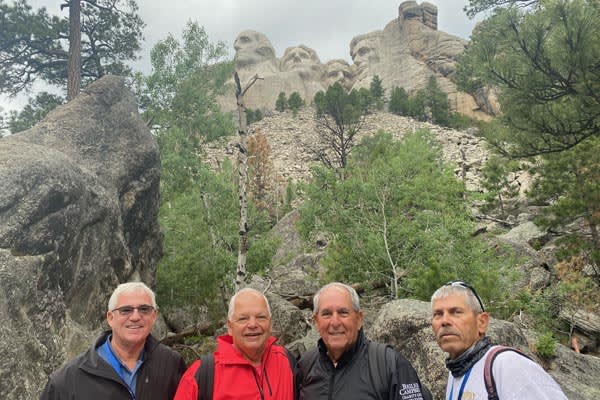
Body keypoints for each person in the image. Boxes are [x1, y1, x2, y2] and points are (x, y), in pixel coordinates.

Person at [40, 281, 186, 400]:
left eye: (144, 309)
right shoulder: (67, 381)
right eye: (125, 310)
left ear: (154, 316)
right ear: (110, 318)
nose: (135, 317)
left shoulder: (171, 364)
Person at [431, 280, 568, 399]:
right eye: (438, 314)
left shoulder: (508, 365)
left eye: (456, 312)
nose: (445, 321)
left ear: (482, 322)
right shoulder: (454, 373)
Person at [296, 282, 432, 400]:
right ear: (316, 322)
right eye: (326, 314)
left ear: (359, 319)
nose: (335, 322)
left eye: (343, 312)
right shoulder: (306, 366)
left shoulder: (388, 364)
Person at [173, 287, 295, 400]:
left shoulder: (286, 361)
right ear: (230, 327)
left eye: (261, 317)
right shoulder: (200, 376)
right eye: (243, 319)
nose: (252, 324)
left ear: (270, 323)